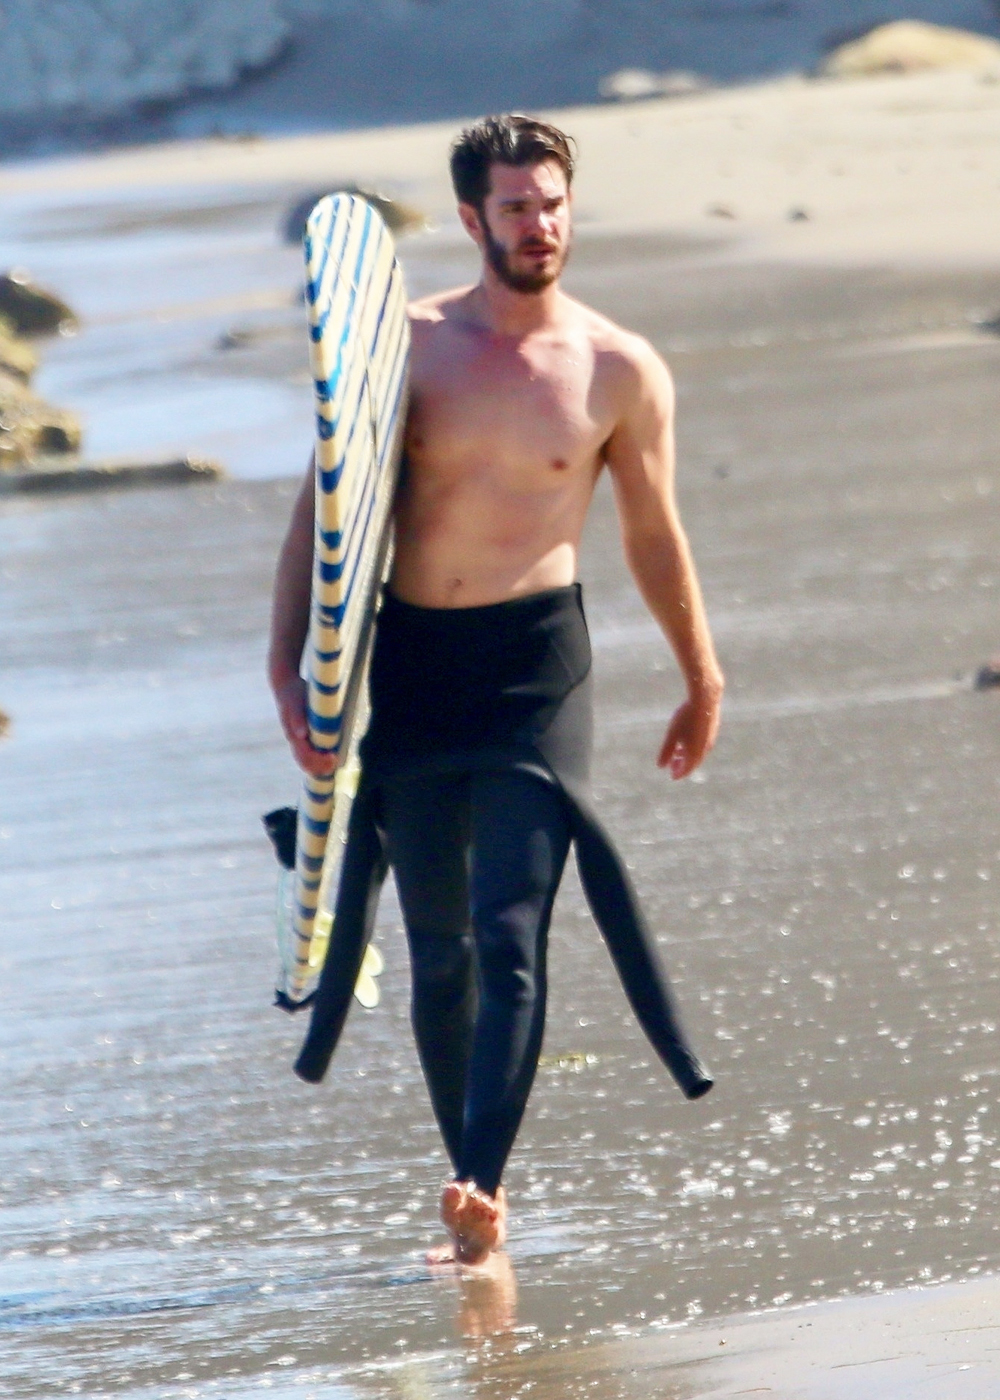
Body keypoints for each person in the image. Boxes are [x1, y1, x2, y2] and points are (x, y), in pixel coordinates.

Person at [268, 114, 724, 1267]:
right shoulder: (402, 352)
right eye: (516, 207)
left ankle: (477, 1186)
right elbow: (325, 519)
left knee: (511, 921)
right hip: (414, 661)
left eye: (553, 202)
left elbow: (653, 536)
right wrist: (292, 671)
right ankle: (466, 1170)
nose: (540, 224)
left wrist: (699, 672)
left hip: (538, 665)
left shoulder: (618, 367)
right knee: (440, 945)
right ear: (471, 220)